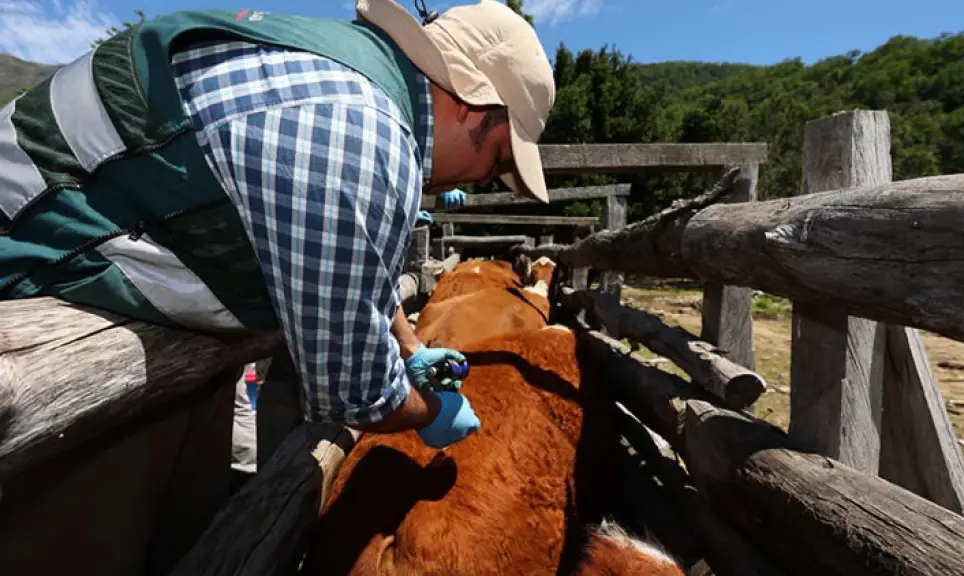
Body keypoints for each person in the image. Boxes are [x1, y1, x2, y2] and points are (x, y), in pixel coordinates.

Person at [0, 0, 555, 451]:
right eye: (501, 160)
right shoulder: (364, 143)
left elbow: (342, 264)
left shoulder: (357, 83)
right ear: (475, 109)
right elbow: (353, 392)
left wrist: (410, 349)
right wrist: (434, 410)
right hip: (27, 238)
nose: (486, 178)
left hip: (76, 217)